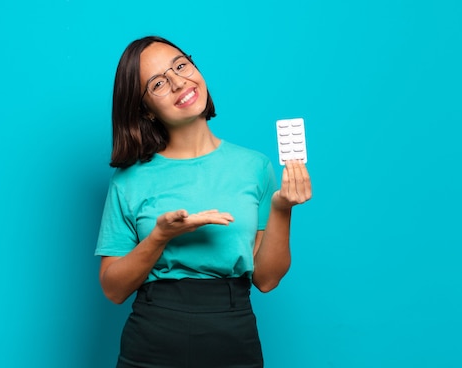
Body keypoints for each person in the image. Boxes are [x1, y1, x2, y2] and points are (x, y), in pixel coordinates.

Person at [95, 35, 312, 368]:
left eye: (181, 65)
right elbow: (113, 289)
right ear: (145, 110)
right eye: (158, 83)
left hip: (233, 333)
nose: (179, 82)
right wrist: (160, 237)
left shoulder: (255, 167)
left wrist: (282, 208)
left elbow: (266, 280)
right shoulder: (129, 181)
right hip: (152, 338)